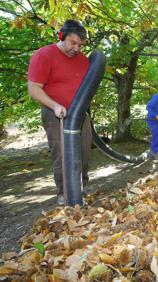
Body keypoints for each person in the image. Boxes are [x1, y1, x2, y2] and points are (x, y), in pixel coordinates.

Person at [28, 20, 92, 205]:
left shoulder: (82, 60)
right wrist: (55, 105)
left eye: (81, 45)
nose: (77, 48)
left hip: (79, 113)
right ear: (61, 36)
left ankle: (82, 188)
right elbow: (34, 89)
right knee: (63, 153)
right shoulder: (44, 55)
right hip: (55, 114)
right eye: (73, 43)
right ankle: (64, 193)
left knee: (84, 151)